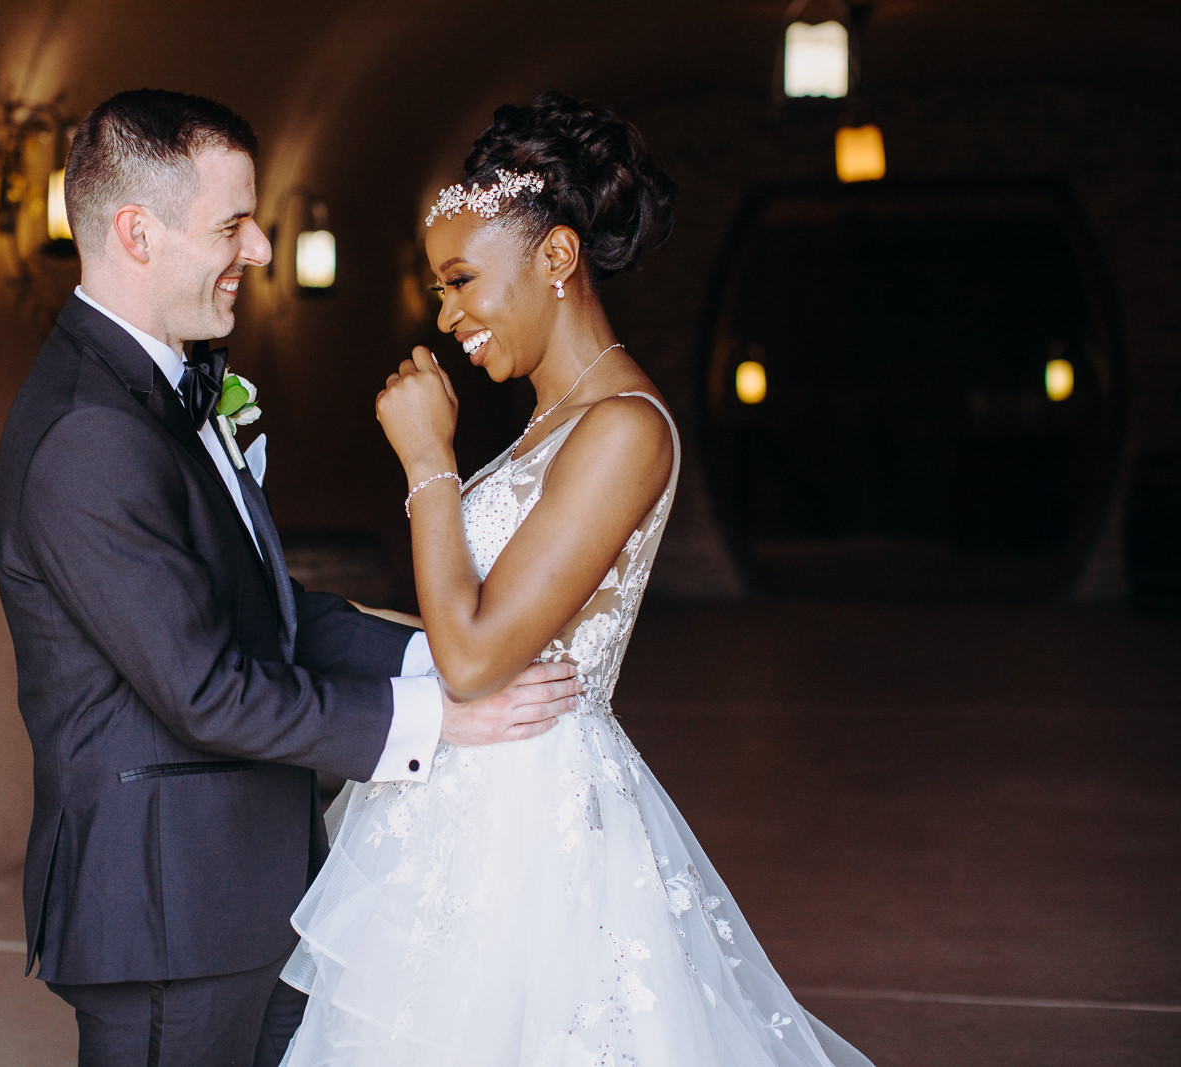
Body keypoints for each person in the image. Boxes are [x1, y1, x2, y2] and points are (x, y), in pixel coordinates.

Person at [278, 93, 876, 1066]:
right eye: (437, 287)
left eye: (461, 279)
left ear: (556, 257)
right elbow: (461, 621)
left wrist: (426, 457)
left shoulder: (624, 428)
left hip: (530, 817)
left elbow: (471, 656)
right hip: (460, 792)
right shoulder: (545, 426)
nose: (445, 314)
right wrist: (305, 615)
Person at [0, 88, 580, 1067]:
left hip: (243, 890)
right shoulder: (89, 433)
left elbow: (273, 616)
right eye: (232, 224)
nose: (260, 250)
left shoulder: (171, 391)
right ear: (136, 234)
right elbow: (203, 688)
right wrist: (443, 719)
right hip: (165, 907)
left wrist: (450, 658)